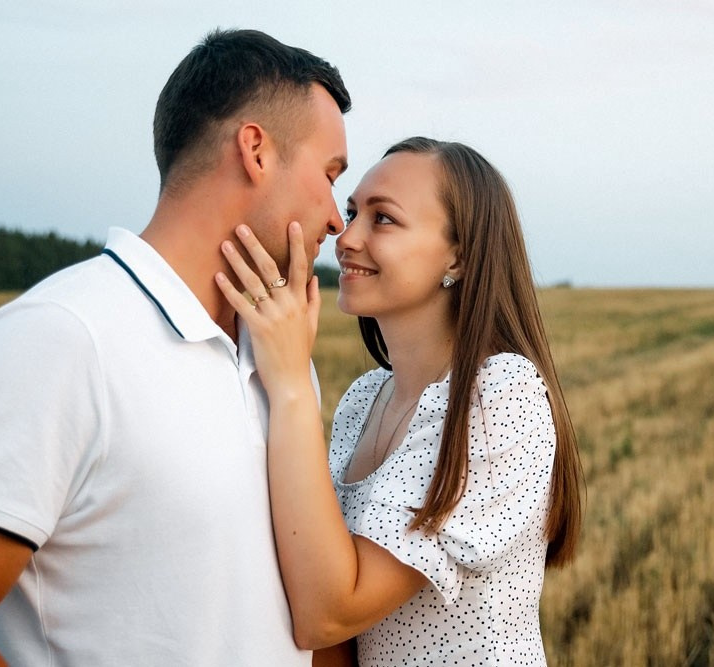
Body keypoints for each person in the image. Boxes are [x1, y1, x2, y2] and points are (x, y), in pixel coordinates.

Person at [0, 29, 350, 665]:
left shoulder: (283, 359)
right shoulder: (63, 336)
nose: (336, 218)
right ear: (256, 151)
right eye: (328, 176)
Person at [216, 136, 585, 665]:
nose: (346, 237)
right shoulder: (364, 399)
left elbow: (329, 611)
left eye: (382, 219)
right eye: (351, 212)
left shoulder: (500, 396)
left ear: (458, 254)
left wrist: (292, 380)